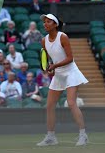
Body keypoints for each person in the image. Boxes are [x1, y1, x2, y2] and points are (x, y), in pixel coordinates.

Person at [36, 14, 89, 146]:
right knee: (49, 106)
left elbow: (70, 58)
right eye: (44, 22)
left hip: (71, 72)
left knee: (71, 103)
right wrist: (51, 67)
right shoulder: (44, 40)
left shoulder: (63, 37)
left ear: (55, 24)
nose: (45, 24)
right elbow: (49, 59)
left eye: (48, 22)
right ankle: (51, 137)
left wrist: (55, 65)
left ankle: (83, 135)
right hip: (58, 74)